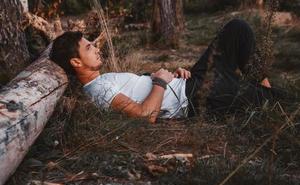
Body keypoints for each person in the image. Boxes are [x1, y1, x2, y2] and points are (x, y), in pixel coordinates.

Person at [50, 19, 278, 123]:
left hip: (189, 82)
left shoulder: (103, 80)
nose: (96, 48)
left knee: (237, 29)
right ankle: (264, 96)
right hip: (194, 98)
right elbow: (145, 115)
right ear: (76, 63)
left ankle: (261, 88)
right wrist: (160, 82)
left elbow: (143, 89)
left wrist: (171, 75)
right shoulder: (97, 90)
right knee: (279, 101)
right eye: (89, 47)